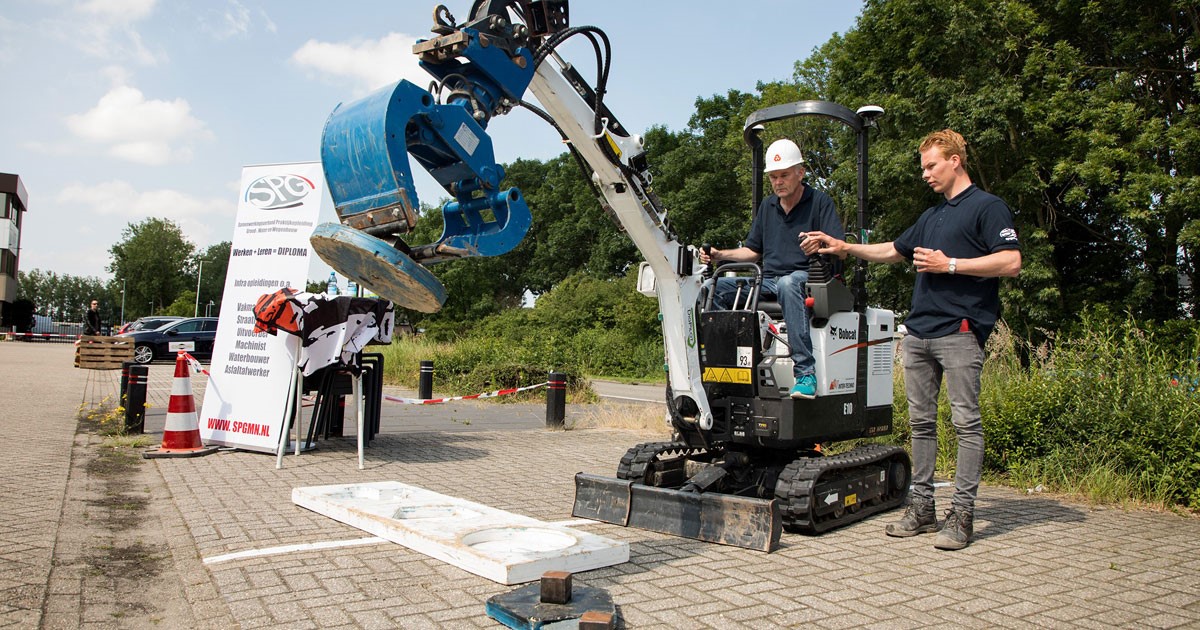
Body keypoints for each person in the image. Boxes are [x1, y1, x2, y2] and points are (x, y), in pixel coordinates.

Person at [806, 129, 1021, 550]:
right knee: (921, 424)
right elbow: (893, 249)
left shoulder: (988, 207)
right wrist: (844, 247)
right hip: (919, 333)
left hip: (959, 332)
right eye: (923, 167)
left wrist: (951, 264)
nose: (925, 174)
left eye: (931, 165)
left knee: (966, 424)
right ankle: (922, 509)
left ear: (955, 160)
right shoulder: (931, 216)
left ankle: (961, 516)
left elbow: (1011, 261)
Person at [698, 139, 844, 399]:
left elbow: (839, 248)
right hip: (769, 279)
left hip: (807, 277)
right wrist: (721, 255)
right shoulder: (768, 207)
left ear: (800, 172)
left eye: (784, 175)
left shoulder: (820, 202)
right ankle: (727, 367)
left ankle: (805, 373)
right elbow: (753, 251)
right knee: (713, 288)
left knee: (788, 283)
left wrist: (819, 244)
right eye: (773, 177)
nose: (778, 182)